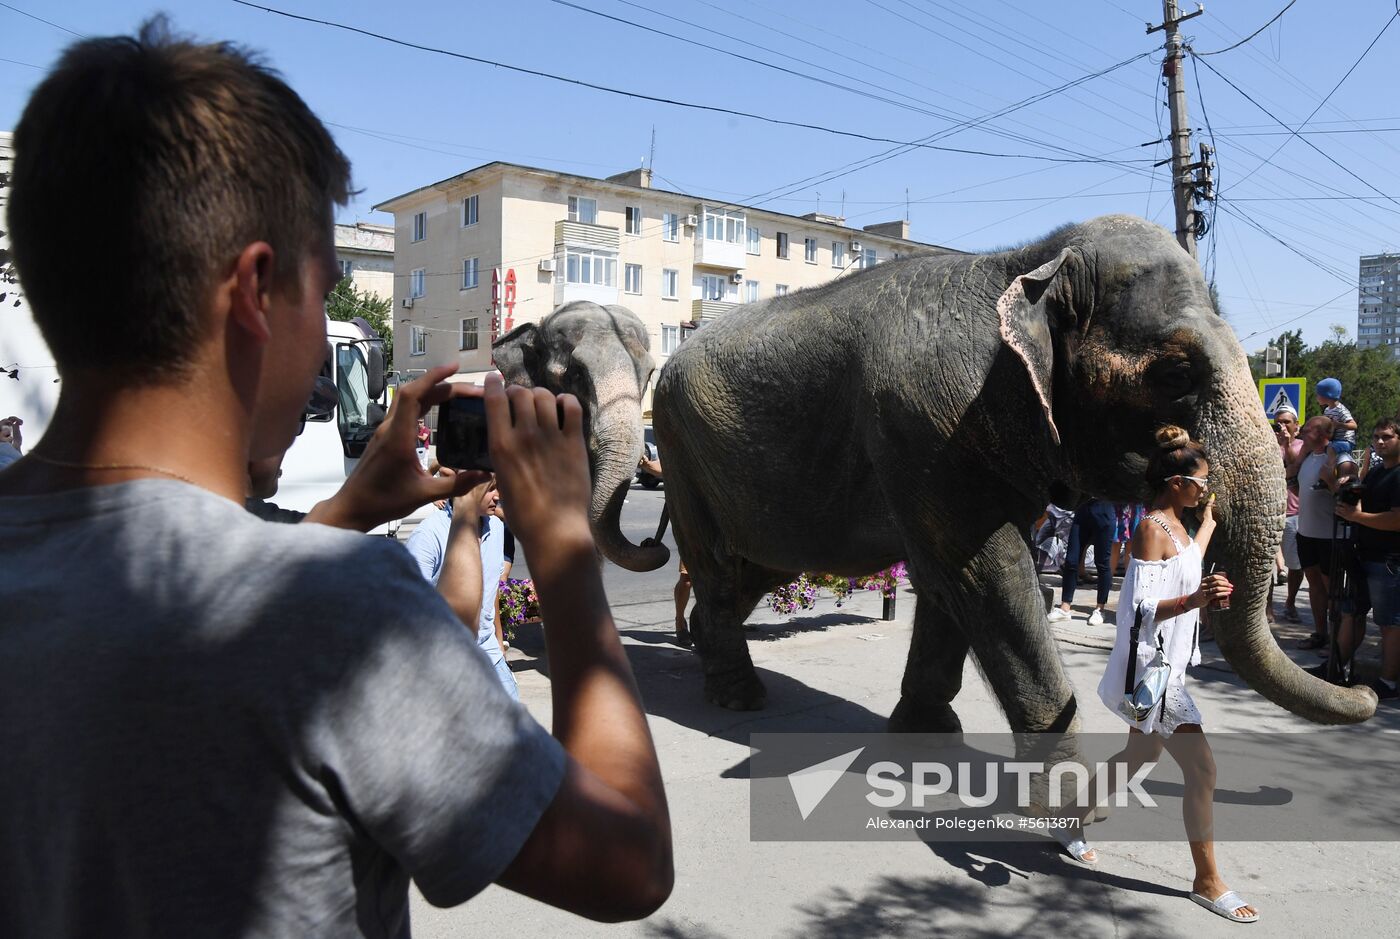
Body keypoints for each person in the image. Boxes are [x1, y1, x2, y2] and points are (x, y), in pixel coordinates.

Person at [0, 22, 671, 937]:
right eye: (321, 297)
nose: (321, 333)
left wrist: (349, 510)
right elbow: (628, 861)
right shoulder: (346, 617)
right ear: (256, 292)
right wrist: (562, 554)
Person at [1061, 427, 1252, 922]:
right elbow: (1142, 607)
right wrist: (1195, 600)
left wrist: (1208, 569)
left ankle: (1071, 817)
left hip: (1170, 666)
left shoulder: (1185, 526)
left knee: (1138, 751)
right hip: (1154, 670)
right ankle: (1207, 880)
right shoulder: (1152, 528)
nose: (1206, 491)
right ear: (1175, 483)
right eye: (1201, 484)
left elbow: (1191, 557)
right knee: (1203, 770)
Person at [406, 471, 519, 699]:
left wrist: (498, 642)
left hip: (489, 653)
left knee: (515, 726)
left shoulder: (496, 528)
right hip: (444, 656)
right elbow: (410, 608)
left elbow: (491, 590)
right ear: (468, 489)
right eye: (491, 489)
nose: (498, 497)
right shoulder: (429, 535)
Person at [1333, 419, 1400, 700]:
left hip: (1388, 561)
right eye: (1376, 437)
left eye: (1386, 437)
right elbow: (1360, 499)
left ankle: (1388, 682)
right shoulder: (1375, 473)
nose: (1380, 442)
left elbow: (1396, 520)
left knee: (1389, 624)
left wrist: (1357, 517)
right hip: (1363, 555)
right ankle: (1335, 669)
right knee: (1351, 614)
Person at [1290, 416, 1342, 649]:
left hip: (1329, 536)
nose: (1303, 432)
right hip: (1306, 533)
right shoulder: (1308, 457)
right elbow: (1296, 484)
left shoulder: (1339, 459)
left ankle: (1338, 641)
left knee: (1332, 590)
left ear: (1324, 435)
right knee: (1314, 585)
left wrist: (1330, 481)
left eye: (1309, 430)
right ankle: (1320, 633)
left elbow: (1346, 497)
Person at [636, 452, 693, 647]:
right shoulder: (679, 462)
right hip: (693, 535)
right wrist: (658, 538)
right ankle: (679, 622)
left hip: (721, 532)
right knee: (687, 580)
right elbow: (668, 505)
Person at [1047, 499, 1115, 627]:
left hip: (1104, 511)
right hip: (1083, 511)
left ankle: (1100, 609)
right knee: (1071, 561)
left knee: (1102, 562)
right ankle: (1064, 608)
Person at [1273, 406, 1305, 623]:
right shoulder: (1269, 445)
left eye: (1286, 422)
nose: (1282, 426)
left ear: (1297, 425)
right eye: (1278, 423)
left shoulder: (1303, 446)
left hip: (1294, 513)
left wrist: (1286, 444)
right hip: (1271, 513)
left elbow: (1293, 467)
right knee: (1265, 565)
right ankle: (1266, 609)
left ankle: (1290, 603)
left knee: (1295, 564)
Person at [1314, 377, 1357, 485]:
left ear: (1327, 395)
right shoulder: (1327, 410)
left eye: (1318, 394)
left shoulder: (1341, 410)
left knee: (1331, 449)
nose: (1316, 397)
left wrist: (1339, 425)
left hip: (1345, 441)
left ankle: (1330, 472)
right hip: (1334, 440)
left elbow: (1354, 425)